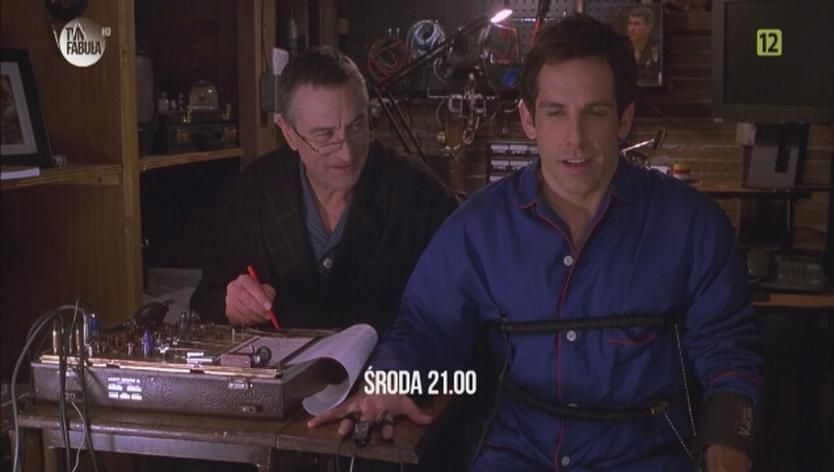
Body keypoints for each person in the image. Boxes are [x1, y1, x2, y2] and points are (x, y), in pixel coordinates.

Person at [309, 15, 762, 471]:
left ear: (624, 118)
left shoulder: (692, 224)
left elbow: (728, 348)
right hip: (516, 455)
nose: (575, 139)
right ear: (528, 119)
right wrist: (389, 383)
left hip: (645, 457)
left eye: (595, 112)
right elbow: (425, 328)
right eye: (555, 112)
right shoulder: (477, 228)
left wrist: (729, 441)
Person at [190, 46, 458, 336]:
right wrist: (230, 304)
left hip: (388, 363)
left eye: (357, 127)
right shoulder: (257, 190)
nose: (346, 153)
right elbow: (205, 299)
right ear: (289, 133)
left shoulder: (419, 192)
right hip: (281, 362)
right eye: (325, 135)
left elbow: (465, 303)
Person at [627, 6, 661, 83]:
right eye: (630, 23)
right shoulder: (622, 48)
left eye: (637, 24)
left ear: (649, 28)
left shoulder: (658, 49)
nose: (631, 29)